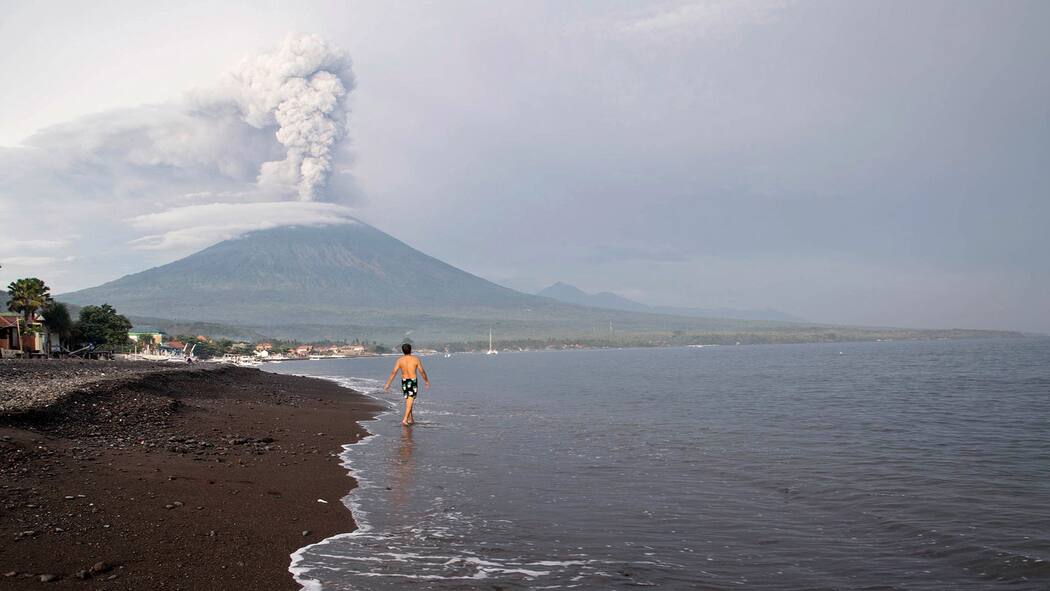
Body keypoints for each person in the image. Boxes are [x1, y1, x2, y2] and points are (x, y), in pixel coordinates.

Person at [384, 343, 430, 426]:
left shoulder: (399, 360)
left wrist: (388, 384)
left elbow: (393, 372)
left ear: (403, 351)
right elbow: (422, 371)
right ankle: (405, 419)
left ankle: (410, 418)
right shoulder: (415, 359)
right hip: (412, 381)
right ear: (411, 350)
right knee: (410, 398)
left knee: (408, 399)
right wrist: (426, 381)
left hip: (404, 381)